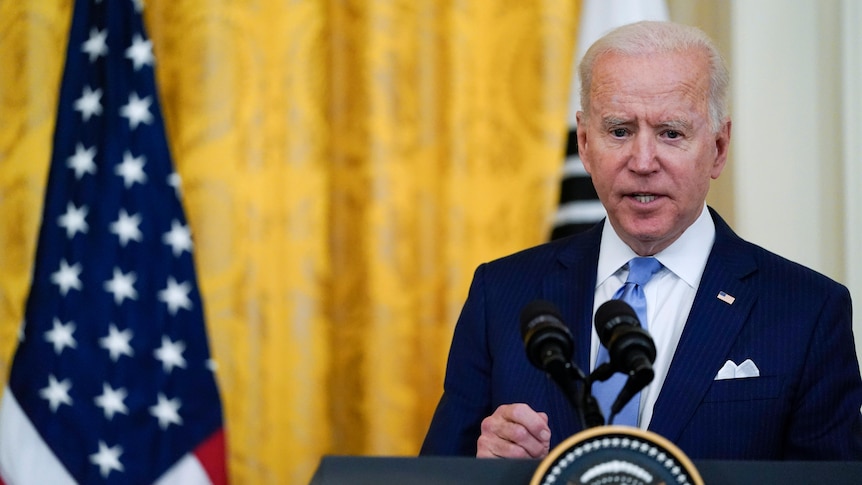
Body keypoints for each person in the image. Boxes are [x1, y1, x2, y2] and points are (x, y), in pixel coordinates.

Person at [420, 20, 862, 461]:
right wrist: (487, 470)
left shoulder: (807, 311)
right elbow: (439, 472)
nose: (643, 161)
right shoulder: (500, 294)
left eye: (671, 132)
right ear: (586, 143)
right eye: (619, 131)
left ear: (719, 147)